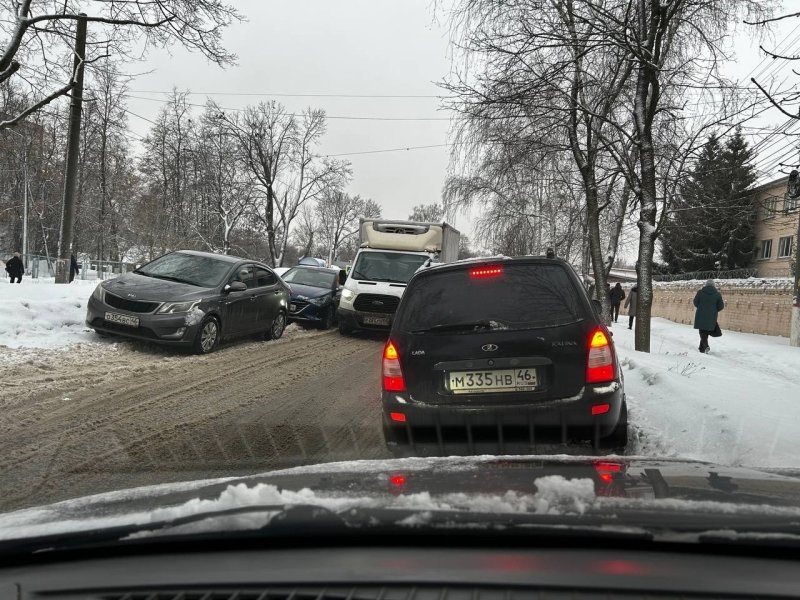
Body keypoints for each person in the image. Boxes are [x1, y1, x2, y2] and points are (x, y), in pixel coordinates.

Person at [693, 279, 724, 354]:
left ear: (706, 285)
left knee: (702, 331)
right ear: (714, 286)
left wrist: (700, 307)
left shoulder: (700, 292)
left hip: (701, 314)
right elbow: (721, 306)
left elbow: (695, 302)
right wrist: (713, 310)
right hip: (712, 316)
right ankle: (701, 348)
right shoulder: (717, 294)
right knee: (706, 331)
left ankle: (705, 346)